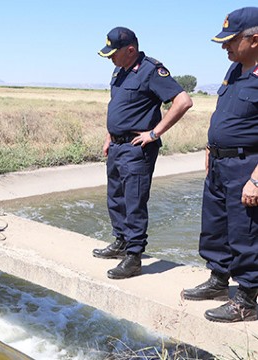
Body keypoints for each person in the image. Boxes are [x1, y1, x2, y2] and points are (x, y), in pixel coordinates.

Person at [93, 27, 193, 279]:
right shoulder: (119, 71)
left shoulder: (151, 70)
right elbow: (117, 107)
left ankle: (134, 257)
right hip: (117, 146)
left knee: (134, 202)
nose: (109, 58)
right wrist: (109, 136)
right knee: (116, 198)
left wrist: (154, 133)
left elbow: (183, 101)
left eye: (113, 53)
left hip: (137, 149)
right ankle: (121, 242)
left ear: (130, 50)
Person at [181, 7, 258, 323]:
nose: (225, 46)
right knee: (215, 227)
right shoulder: (234, 71)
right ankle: (217, 281)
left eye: (230, 41)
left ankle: (248, 299)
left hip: (246, 166)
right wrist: (211, 148)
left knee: (246, 233)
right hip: (219, 163)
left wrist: (256, 179)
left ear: (254, 40)